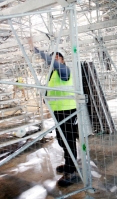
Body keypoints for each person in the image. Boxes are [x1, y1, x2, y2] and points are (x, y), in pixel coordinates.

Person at [33, 46, 79, 188]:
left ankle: (71, 171)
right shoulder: (53, 73)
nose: (54, 60)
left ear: (63, 59)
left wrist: (36, 50)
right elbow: (52, 89)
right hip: (58, 111)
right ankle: (68, 163)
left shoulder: (65, 70)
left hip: (68, 110)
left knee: (68, 140)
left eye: (57, 57)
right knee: (61, 139)